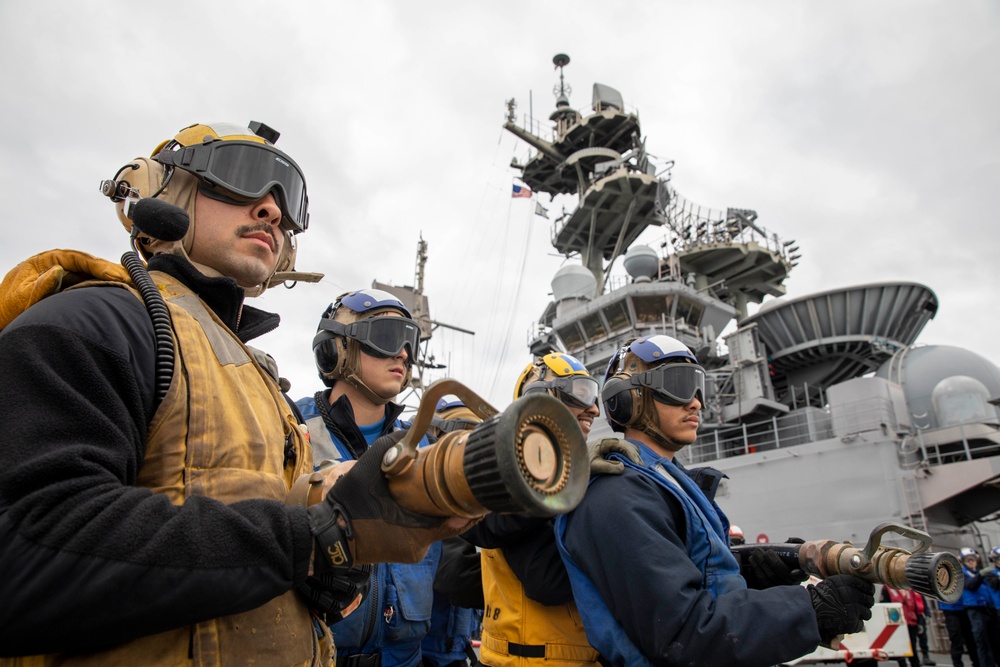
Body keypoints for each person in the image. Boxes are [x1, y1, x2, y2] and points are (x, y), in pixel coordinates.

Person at [0, 121, 468, 664]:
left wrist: (318, 575)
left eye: (285, 197)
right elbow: (24, 554)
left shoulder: (255, 381)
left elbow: (253, 549)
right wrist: (309, 540)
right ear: (162, 191)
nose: (271, 209)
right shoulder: (98, 320)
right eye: (241, 177)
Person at [553, 335, 877, 666]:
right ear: (628, 398)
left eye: (697, 388)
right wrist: (810, 611)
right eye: (678, 384)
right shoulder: (617, 496)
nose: (695, 403)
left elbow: (686, 584)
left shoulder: (665, 483)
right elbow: (682, 634)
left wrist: (750, 572)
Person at [297, 288, 473, 667]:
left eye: (410, 341)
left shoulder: (425, 446)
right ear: (336, 347)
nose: (404, 354)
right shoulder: (290, 429)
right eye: (388, 337)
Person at [465, 353, 614, 666]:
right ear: (541, 397)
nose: (595, 409)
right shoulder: (505, 475)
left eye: (595, 395)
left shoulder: (561, 474)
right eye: (583, 392)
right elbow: (546, 581)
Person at [960, 548, 997, 667]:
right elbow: (970, 585)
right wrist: (980, 576)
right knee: (982, 642)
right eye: (968, 560)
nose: (971, 562)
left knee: (996, 641)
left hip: (989, 610)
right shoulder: (962, 574)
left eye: (973, 559)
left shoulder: (981, 572)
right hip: (975, 611)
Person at [882, 585, 925, 666]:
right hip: (897, 626)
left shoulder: (909, 588)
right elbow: (884, 607)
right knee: (901, 652)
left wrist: (919, 621)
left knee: (913, 649)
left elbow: (916, 606)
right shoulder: (887, 589)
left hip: (911, 624)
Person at [938, 596, 980, 667]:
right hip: (950, 607)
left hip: (965, 604)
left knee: (971, 638)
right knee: (956, 639)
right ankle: (958, 664)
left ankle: (977, 663)